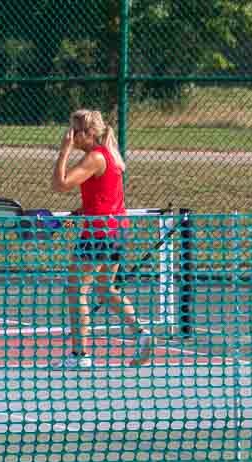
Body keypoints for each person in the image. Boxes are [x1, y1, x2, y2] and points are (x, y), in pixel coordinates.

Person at [52, 109, 153, 369]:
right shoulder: (108, 157)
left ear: (87, 133)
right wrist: (84, 210)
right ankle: (141, 335)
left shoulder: (94, 157)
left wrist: (63, 150)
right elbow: (106, 195)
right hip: (118, 231)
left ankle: (80, 355)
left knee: (76, 289)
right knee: (106, 289)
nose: (71, 136)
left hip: (99, 234)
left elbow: (60, 184)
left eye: (74, 131)